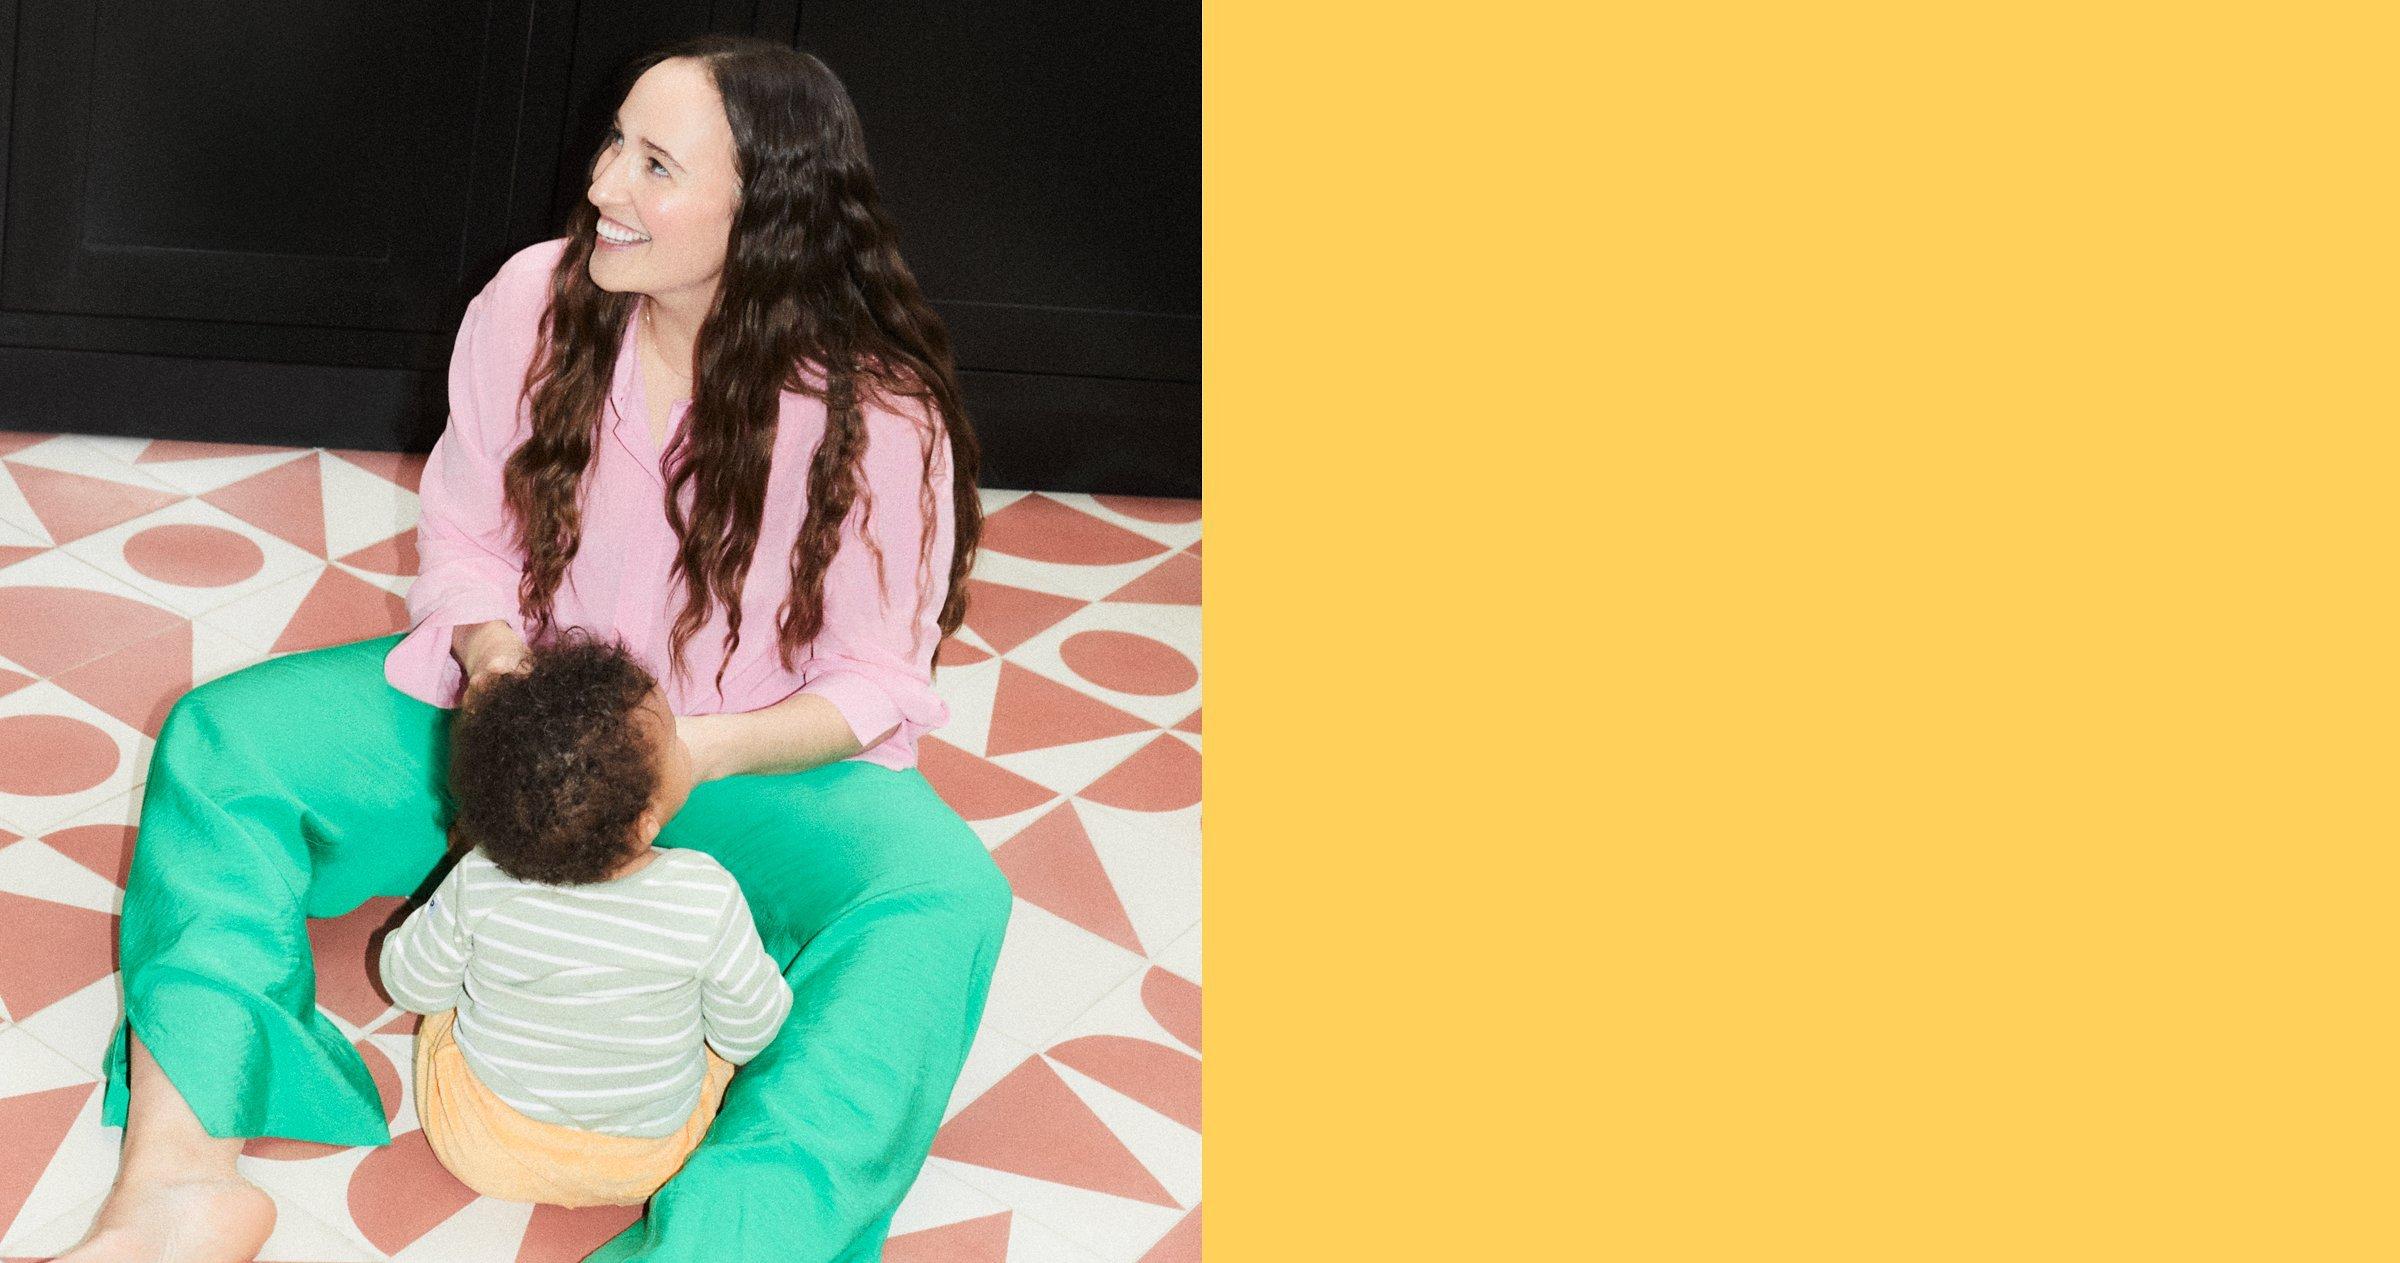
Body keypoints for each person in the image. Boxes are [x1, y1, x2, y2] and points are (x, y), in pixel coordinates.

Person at [65, 33, 1009, 1263]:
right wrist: (499, 667)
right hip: (515, 730)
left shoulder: (880, 414)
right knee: (224, 744)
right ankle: (181, 1182)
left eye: (656, 164)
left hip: (738, 758)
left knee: (944, 899)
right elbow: (464, 530)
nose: (606, 184)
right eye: (615, 142)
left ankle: (728, 1242)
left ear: (767, 211)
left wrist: (695, 752)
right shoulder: (531, 299)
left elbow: (881, 680)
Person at [381, 636, 792, 1207]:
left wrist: (412, 949)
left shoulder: (480, 878)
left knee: (444, 1006)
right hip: (645, 1164)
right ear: (647, 822)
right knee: (719, 1044)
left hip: (482, 1143)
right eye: (674, 740)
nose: (682, 744)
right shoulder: (705, 895)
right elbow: (750, 1034)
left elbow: (412, 985)